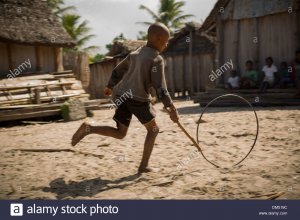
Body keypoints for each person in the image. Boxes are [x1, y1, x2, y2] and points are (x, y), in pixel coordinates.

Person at [71, 22, 179, 173]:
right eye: (166, 41)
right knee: (153, 130)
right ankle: (143, 166)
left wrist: (110, 86)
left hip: (121, 95)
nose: (166, 44)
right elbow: (160, 88)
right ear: (158, 39)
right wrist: (171, 108)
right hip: (138, 99)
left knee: (120, 133)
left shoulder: (136, 53)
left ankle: (89, 129)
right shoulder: (157, 59)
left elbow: (118, 70)